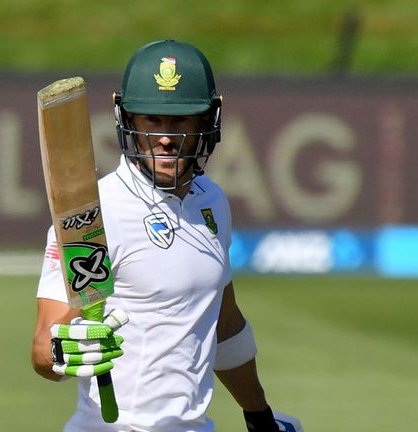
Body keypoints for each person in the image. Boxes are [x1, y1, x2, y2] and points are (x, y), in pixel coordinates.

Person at [32, 39, 293, 432]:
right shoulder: (95, 214)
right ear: (128, 121)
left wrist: (259, 416)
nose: (166, 137)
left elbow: (223, 325)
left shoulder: (213, 203)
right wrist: (65, 349)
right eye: (152, 120)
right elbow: (42, 346)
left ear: (208, 122)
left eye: (181, 121)